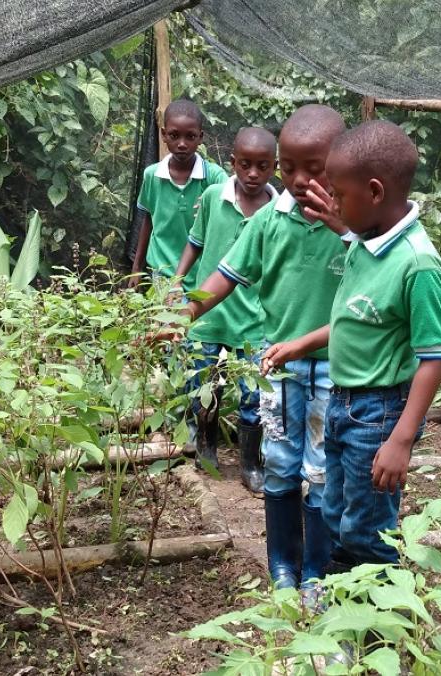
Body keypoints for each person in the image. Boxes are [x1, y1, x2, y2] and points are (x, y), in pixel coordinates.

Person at [174, 105, 351, 596]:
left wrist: (343, 227)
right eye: (289, 167)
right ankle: (282, 568)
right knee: (280, 462)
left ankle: (315, 571)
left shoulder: (355, 228)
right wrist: (181, 316)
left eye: (312, 170)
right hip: (278, 366)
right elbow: (223, 277)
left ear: (339, 163)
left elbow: (378, 272)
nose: (298, 180)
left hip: (338, 371)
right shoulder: (269, 221)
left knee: (319, 471)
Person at [260, 120, 441, 573]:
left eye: (340, 196)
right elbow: (354, 320)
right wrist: (300, 344)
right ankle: (343, 602)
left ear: (376, 192)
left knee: (369, 529)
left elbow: (433, 358)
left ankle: (378, 623)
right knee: (335, 513)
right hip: (345, 405)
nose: (334, 207)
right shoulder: (363, 245)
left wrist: (400, 439)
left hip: (379, 414)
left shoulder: (418, 265)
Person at [172, 127, 279, 493]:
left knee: (252, 392)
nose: (252, 173)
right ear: (232, 163)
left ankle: (251, 463)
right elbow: (195, 242)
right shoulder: (214, 196)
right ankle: (206, 445)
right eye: (245, 164)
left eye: (261, 166)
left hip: (253, 317)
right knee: (202, 383)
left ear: (273, 168)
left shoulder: (278, 212)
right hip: (208, 312)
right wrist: (178, 279)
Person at [130, 99, 228, 288]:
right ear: (164, 135)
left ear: (200, 137)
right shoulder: (152, 175)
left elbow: (230, 203)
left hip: (201, 273)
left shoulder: (214, 177)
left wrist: (212, 202)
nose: (182, 144)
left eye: (190, 137)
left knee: (192, 317)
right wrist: (137, 267)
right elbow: (149, 219)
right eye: (174, 136)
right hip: (162, 269)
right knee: (167, 315)